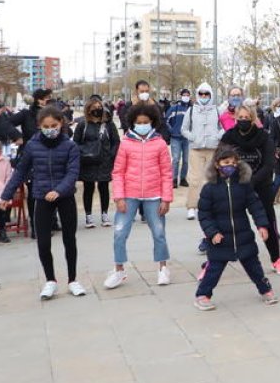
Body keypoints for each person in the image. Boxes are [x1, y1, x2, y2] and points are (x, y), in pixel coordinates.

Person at [0, 105, 85, 300]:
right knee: (43, 241)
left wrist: (59, 190)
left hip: (64, 197)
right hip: (41, 196)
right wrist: (6, 195)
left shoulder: (70, 146)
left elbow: (73, 173)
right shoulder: (32, 145)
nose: (50, 129)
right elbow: (20, 171)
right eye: (46, 126)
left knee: (69, 239)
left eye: (54, 125)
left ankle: (73, 280)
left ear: (61, 123)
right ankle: (50, 281)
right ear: (39, 126)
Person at [194, 146, 277, 310]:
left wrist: (262, 225)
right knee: (214, 268)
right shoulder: (209, 188)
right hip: (220, 237)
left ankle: (265, 289)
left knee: (254, 266)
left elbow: (255, 205)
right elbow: (204, 214)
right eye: (226, 162)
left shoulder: (243, 184)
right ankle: (203, 294)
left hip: (243, 235)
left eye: (233, 163)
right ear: (217, 164)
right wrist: (212, 232)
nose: (230, 166)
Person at [105, 102, 174, 289]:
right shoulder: (125, 143)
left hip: (154, 195)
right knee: (120, 232)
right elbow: (118, 172)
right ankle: (119, 270)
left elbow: (167, 173)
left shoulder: (159, 143)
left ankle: (162, 268)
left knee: (159, 232)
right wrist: (119, 197)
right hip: (129, 194)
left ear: (152, 122)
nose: (142, 125)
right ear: (132, 122)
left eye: (146, 121)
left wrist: (166, 199)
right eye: (139, 122)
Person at [220, 104, 280, 274]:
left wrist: (251, 181)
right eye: (240, 117)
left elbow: (269, 164)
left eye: (246, 118)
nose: (243, 120)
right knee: (226, 223)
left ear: (253, 118)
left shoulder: (264, 137)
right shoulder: (229, 136)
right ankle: (212, 263)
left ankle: (276, 258)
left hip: (260, 185)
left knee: (267, 221)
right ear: (235, 118)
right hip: (234, 185)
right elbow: (220, 159)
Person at [75, 98, 120, 228]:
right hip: (88, 161)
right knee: (88, 188)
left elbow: (116, 142)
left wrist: (111, 155)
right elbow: (75, 143)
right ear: (88, 109)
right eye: (94, 107)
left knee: (104, 187)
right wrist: (83, 153)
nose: (97, 109)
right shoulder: (82, 125)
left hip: (104, 161)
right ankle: (88, 216)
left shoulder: (108, 124)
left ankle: (104, 214)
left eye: (99, 106)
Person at [182, 82, 222, 221]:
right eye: (201, 93)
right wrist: (192, 137)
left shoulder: (217, 110)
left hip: (212, 148)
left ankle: (209, 207)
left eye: (206, 94)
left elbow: (224, 127)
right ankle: (191, 207)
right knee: (194, 178)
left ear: (211, 95)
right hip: (196, 148)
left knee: (211, 178)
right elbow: (184, 129)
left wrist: (217, 136)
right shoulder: (191, 110)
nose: (204, 96)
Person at [166, 89, 193, 188]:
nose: (186, 96)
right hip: (175, 138)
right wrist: (172, 130)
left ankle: (183, 178)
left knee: (186, 160)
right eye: (184, 95)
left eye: (187, 95)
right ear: (180, 96)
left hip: (187, 139)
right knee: (176, 159)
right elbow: (166, 120)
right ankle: (174, 179)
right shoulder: (174, 108)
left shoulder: (192, 109)